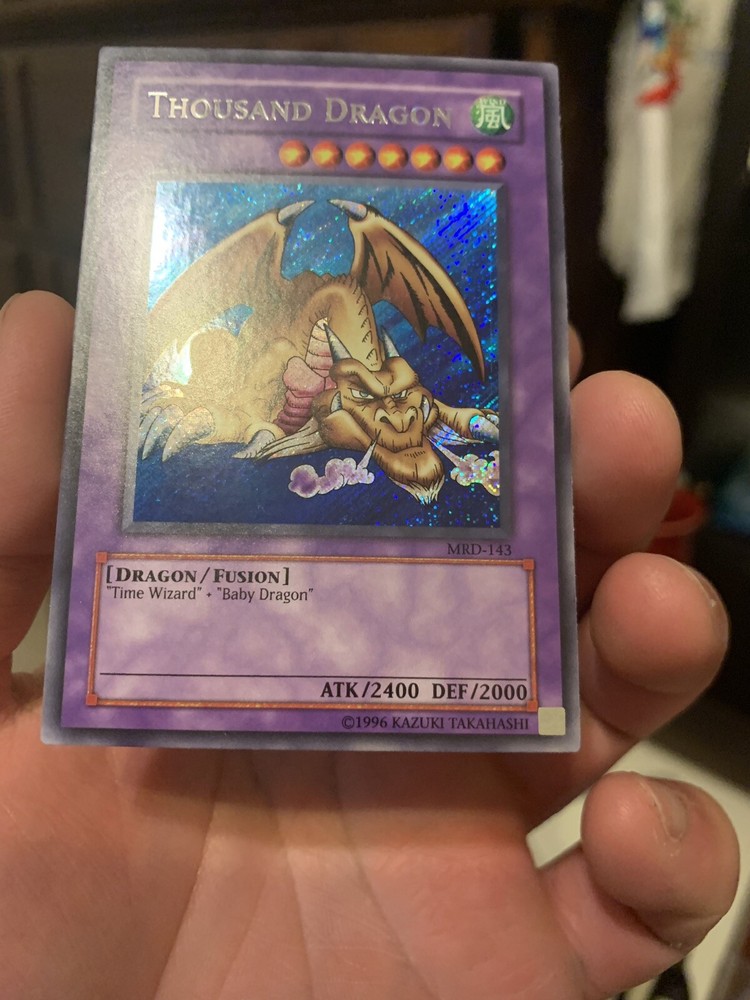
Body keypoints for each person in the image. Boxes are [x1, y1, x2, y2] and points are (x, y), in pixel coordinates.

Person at [0, 291, 738, 1000]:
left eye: (403, 397)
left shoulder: (402, 404)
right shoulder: (308, 412)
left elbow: (447, 418)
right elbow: (289, 431)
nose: (401, 411)